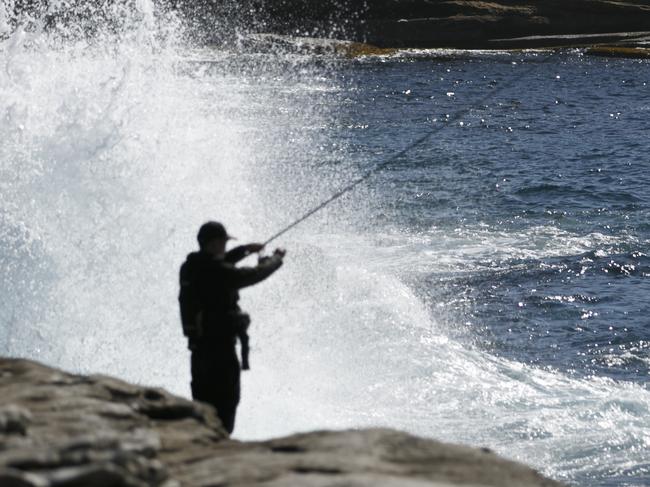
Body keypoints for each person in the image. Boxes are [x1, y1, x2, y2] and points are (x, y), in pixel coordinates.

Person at [179, 221, 285, 434]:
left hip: (199, 354)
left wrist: (245, 250)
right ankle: (216, 454)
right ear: (216, 243)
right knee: (225, 411)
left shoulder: (191, 267)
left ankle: (202, 450)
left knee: (203, 411)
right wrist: (275, 259)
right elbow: (255, 274)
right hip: (221, 356)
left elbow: (220, 263)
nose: (225, 247)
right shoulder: (218, 272)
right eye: (224, 243)